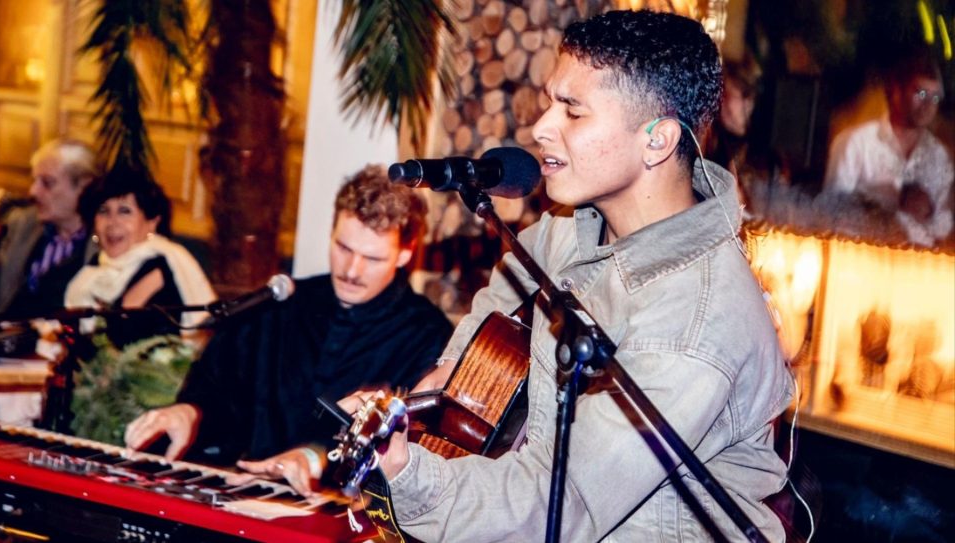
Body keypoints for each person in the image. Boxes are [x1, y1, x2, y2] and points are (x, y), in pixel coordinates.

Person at [348, 11, 793, 542]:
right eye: (550, 101)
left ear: (657, 141)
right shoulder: (573, 224)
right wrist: (455, 372)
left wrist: (406, 472)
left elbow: (559, 503)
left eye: (573, 111)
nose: (541, 127)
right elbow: (509, 282)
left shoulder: (696, 323)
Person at [124, 165, 454, 474]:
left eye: (372, 258)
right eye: (343, 248)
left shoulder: (428, 336)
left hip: (344, 510)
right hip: (244, 487)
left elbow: (412, 452)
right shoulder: (280, 306)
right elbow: (217, 391)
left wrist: (314, 459)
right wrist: (190, 413)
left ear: (406, 253)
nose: (352, 270)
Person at [65, 166, 216, 346]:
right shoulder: (95, 265)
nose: (112, 222)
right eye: (104, 211)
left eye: (125, 211)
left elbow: (119, 332)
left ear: (152, 222)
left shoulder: (161, 266)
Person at [0, 139, 101, 317]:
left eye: (47, 182)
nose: (33, 191)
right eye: (35, 181)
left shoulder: (102, 243)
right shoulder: (23, 225)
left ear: (84, 186)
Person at [824, 50, 953, 247]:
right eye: (921, 93)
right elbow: (830, 210)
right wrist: (888, 209)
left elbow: (944, 224)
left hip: (918, 261)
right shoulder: (856, 143)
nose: (928, 104)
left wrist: (928, 212)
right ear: (895, 91)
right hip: (860, 257)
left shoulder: (938, 156)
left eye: (935, 97)